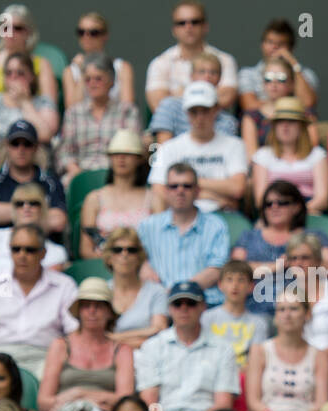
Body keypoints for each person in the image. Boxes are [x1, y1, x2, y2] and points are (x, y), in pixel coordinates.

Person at [0, 223, 78, 379]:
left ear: (43, 253)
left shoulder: (63, 285)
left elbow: (74, 333)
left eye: (30, 250)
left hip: (45, 357)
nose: (22, 255)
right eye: (16, 249)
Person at [38, 277, 134, 411]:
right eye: (86, 305)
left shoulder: (122, 350)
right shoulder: (60, 346)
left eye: (98, 306)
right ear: (79, 311)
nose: (92, 311)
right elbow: (44, 402)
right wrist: (99, 399)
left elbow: (125, 399)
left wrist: (80, 394)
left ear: (109, 312)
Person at [136, 281, 240, 411]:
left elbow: (223, 404)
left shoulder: (223, 348)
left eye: (191, 303)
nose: (183, 308)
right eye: (177, 303)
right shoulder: (152, 346)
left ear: (203, 307)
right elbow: (148, 401)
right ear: (169, 308)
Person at [232, 180, 328, 314]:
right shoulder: (249, 236)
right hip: (254, 310)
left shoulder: (315, 235)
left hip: (300, 309)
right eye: (268, 204)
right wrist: (276, 266)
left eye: (282, 203)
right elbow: (234, 270)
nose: (274, 207)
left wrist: (302, 262)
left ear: (297, 206)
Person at [136, 163, 230, 308]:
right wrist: (143, 267)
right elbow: (136, 261)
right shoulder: (148, 226)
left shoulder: (215, 225)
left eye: (187, 186)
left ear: (197, 191)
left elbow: (216, 270)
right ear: (166, 191)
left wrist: (178, 293)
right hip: (160, 306)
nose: (180, 191)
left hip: (205, 304)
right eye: (174, 186)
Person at [147, 82, 247, 214]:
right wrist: (206, 194)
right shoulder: (167, 147)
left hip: (221, 214)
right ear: (186, 113)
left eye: (205, 111)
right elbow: (158, 190)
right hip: (180, 214)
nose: (200, 118)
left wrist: (185, 185)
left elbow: (237, 188)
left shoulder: (235, 144)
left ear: (216, 109)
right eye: (194, 112)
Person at [245, 291, 328, 411]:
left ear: (307, 314)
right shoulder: (259, 350)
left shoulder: (319, 355)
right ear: (275, 316)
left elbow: (321, 403)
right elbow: (253, 401)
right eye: (282, 309)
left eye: (294, 309)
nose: (287, 315)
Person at [55, 53, 141, 187]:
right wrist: (80, 175)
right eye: (87, 79)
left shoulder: (127, 111)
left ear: (111, 81)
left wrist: (115, 175)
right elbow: (65, 153)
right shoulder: (73, 113)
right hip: (80, 174)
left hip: (118, 174)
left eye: (98, 79)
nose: (92, 84)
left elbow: (132, 148)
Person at [0, 120, 69, 237]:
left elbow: (58, 221)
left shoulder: (50, 182)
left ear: (36, 147)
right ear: (7, 146)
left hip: (41, 246)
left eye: (27, 144)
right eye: (15, 143)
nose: (21, 149)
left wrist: (5, 213)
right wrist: (36, 212)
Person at [144, 0, 239, 112]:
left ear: (205, 26)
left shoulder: (224, 60)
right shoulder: (159, 63)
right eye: (181, 23)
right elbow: (158, 104)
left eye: (195, 22)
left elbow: (226, 98)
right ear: (174, 30)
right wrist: (208, 96)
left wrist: (177, 94)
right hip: (173, 128)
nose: (188, 27)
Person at [78, 131, 159, 258]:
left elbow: (160, 243)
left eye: (127, 154)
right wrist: (115, 262)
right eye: (116, 154)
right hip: (103, 266)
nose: (121, 158)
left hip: (144, 267)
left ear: (139, 159)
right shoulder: (94, 199)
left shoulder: (154, 199)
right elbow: (86, 250)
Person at [0, 54, 60, 173]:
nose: (13, 77)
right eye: (9, 73)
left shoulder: (44, 102)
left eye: (20, 73)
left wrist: (25, 102)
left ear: (31, 77)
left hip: (34, 170)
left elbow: (45, 135)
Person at [286, 231, 328, 374]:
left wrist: (319, 358)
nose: (298, 263)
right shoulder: (285, 296)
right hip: (300, 369)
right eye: (293, 258)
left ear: (317, 260)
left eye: (305, 258)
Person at [0, 5, 58, 114]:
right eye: (5, 27)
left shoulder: (42, 64)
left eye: (17, 28)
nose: (10, 33)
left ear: (28, 31)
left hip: (31, 122)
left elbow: (49, 105)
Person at [250, 97, 328, 212]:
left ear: (301, 126)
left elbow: (323, 199)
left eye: (291, 121)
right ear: (274, 126)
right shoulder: (262, 155)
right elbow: (260, 200)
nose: (285, 126)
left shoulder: (317, 155)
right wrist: (282, 213)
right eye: (280, 121)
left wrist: (297, 213)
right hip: (274, 212)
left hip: (309, 213)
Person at [0, 183, 69, 279]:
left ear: (43, 209)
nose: (26, 207)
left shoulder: (56, 252)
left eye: (33, 203)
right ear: (13, 208)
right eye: (20, 204)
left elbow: (47, 290)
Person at [101, 226, 168, 349]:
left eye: (131, 250)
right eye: (117, 250)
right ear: (109, 257)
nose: (124, 254)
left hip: (147, 356)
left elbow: (160, 330)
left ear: (139, 257)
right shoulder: (101, 291)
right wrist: (145, 334)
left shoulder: (156, 291)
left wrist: (114, 338)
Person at [152, 52, 240, 146]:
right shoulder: (169, 105)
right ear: (191, 75)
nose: (207, 76)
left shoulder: (228, 121)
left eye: (213, 72)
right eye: (202, 71)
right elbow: (163, 148)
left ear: (220, 78)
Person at [237, 18, 320, 114]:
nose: (275, 47)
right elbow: (249, 105)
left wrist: (294, 64)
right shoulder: (248, 74)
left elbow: (308, 103)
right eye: (270, 42)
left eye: (281, 44)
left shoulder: (304, 73)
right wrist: (289, 107)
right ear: (262, 44)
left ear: (291, 48)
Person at [239, 56, 313, 160]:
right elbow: (251, 157)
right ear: (263, 83)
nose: (274, 83)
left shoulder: (304, 114)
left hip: (299, 170)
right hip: (263, 172)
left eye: (281, 78)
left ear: (292, 83)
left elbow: (311, 149)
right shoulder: (251, 117)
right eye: (268, 78)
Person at [201, 260, 270, 370]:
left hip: (244, 377)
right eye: (229, 279)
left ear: (251, 286)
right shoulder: (207, 318)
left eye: (241, 280)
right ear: (220, 285)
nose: (235, 285)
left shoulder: (258, 323)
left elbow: (257, 361)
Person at [63, 11, 134, 107]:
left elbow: (128, 107)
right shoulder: (71, 71)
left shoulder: (122, 68)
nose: (86, 37)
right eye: (81, 32)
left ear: (105, 35)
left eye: (93, 33)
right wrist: (83, 72)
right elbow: (72, 110)